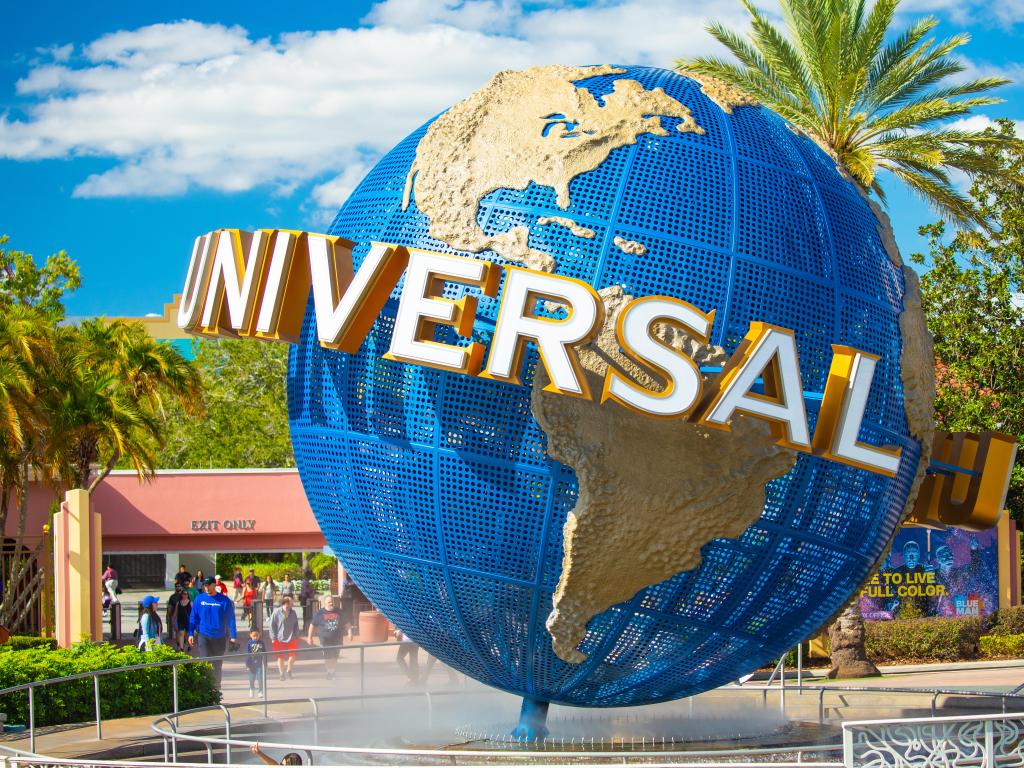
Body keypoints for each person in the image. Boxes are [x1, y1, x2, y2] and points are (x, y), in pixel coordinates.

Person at [188, 576, 237, 685]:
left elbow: (231, 619)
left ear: (214, 585)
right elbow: (193, 617)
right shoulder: (199, 599)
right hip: (203, 635)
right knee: (205, 662)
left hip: (219, 637)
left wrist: (233, 636)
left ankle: (216, 688)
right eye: (204, 586)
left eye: (208, 585)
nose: (206, 588)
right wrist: (190, 633)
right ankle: (206, 687)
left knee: (217, 664)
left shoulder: (224, 601)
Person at [307, 595, 347, 679]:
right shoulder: (319, 613)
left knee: (335, 656)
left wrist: (350, 632)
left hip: (338, 639)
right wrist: (309, 637)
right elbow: (312, 625)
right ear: (325, 603)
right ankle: (329, 672)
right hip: (325, 640)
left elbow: (346, 622)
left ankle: (332, 671)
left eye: (332, 601)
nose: (331, 603)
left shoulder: (339, 612)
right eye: (329, 602)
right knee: (328, 657)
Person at [269, 596, 300, 680]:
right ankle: (281, 673)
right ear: (286, 603)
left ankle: (289, 670)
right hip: (279, 638)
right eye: (291, 602)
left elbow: (296, 625)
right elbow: (272, 625)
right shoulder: (276, 612)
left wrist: (297, 635)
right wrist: (273, 637)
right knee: (280, 657)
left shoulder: (293, 612)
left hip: (292, 637)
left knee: (292, 656)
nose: (293, 603)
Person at [246, 628, 266, 697]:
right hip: (251, 665)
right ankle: (251, 689)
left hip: (259, 664)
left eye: (257, 635)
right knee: (251, 679)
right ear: (250, 635)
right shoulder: (249, 643)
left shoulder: (261, 643)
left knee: (260, 678)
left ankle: (260, 691)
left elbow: (265, 653)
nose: (255, 637)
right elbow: (247, 655)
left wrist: (265, 663)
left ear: (259, 635)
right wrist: (247, 665)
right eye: (254, 635)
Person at [172, 587, 192, 652]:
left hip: (188, 621)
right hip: (180, 620)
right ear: (182, 595)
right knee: (181, 633)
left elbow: (194, 613)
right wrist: (173, 619)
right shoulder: (178, 603)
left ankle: (189, 645)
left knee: (187, 634)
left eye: (186, 594)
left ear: (188, 595)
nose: (185, 595)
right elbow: (175, 612)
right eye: (184, 594)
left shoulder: (190, 603)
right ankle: (181, 648)